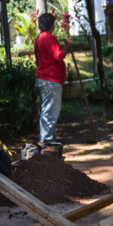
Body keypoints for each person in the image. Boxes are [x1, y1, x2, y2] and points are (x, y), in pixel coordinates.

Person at [34, 12, 71, 150]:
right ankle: (48, 140)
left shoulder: (39, 38)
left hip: (45, 78)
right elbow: (59, 55)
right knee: (50, 110)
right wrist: (66, 46)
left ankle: (50, 137)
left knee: (48, 108)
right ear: (51, 25)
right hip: (50, 79)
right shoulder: (48, 38)